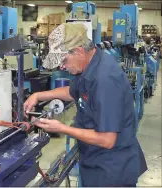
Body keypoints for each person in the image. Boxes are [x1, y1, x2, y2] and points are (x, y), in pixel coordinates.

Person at [24, 23, 147, 187]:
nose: (62, 66)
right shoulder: (90, 66)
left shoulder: (106, 80)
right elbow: (72, 91)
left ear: (79, 51)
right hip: (95, 161)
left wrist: (61, 128)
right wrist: (38, 95)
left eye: (64, 60)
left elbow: (107, 139)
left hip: (111, 171)